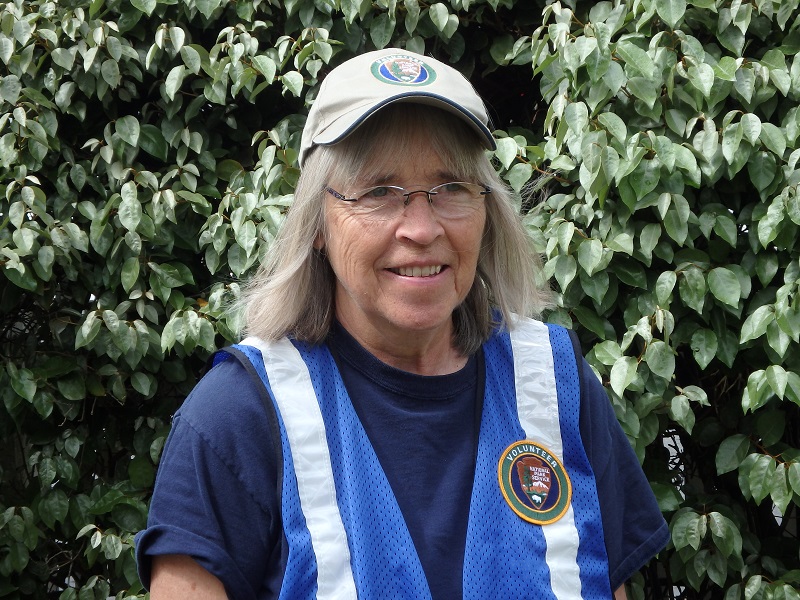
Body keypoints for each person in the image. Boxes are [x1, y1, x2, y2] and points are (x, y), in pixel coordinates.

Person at [135, 48, 669, 600]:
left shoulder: (555, 388)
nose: (421, 227)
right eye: (379, 192)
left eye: (451, 188)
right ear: (317, 221)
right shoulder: (236, 418)